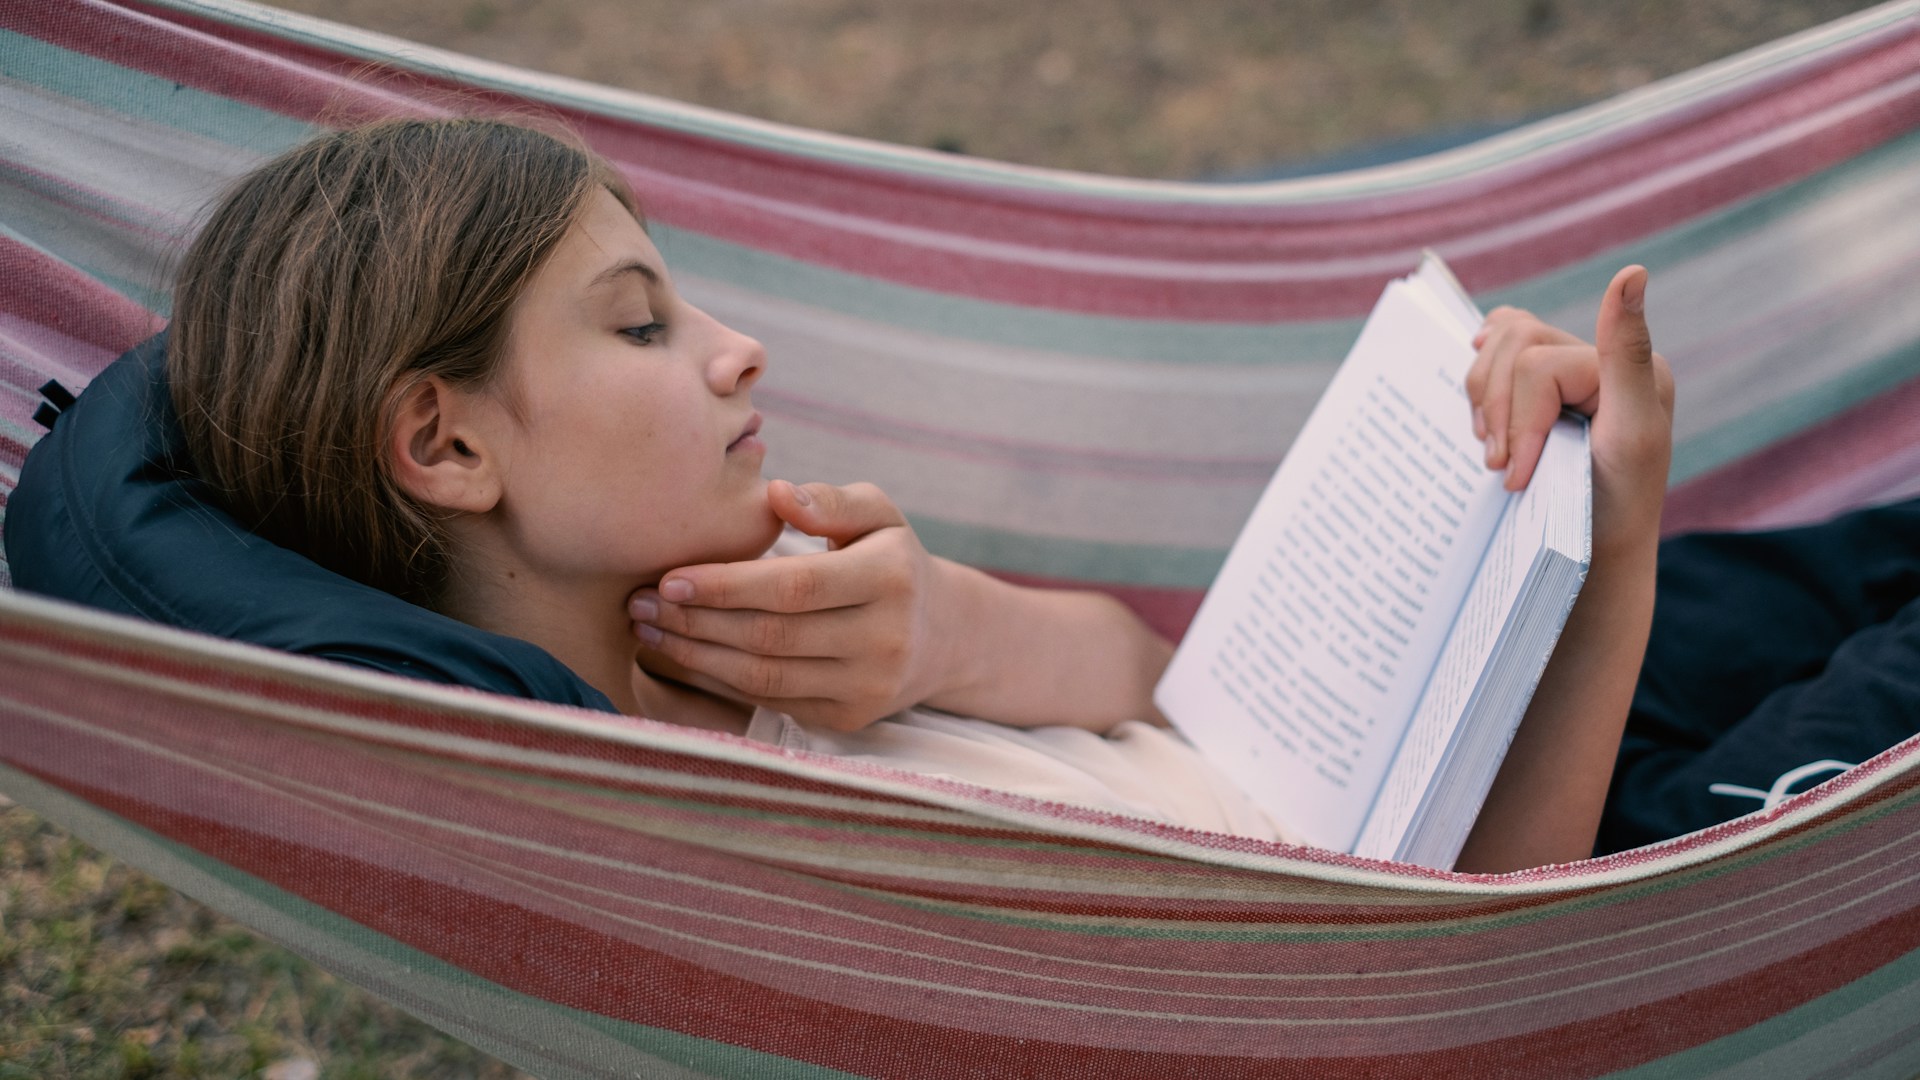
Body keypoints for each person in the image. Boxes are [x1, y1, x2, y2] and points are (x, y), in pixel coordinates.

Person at [159, 117, 1677, 873]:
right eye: (641, 325)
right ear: (445, 446)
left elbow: (1163, 696)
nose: (741, 353)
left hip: (1469, 724)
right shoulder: (730, 858)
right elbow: (1478, 975)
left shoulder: (760, 623)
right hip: (1569, 803)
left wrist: (949, 631)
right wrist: (1614, 531)